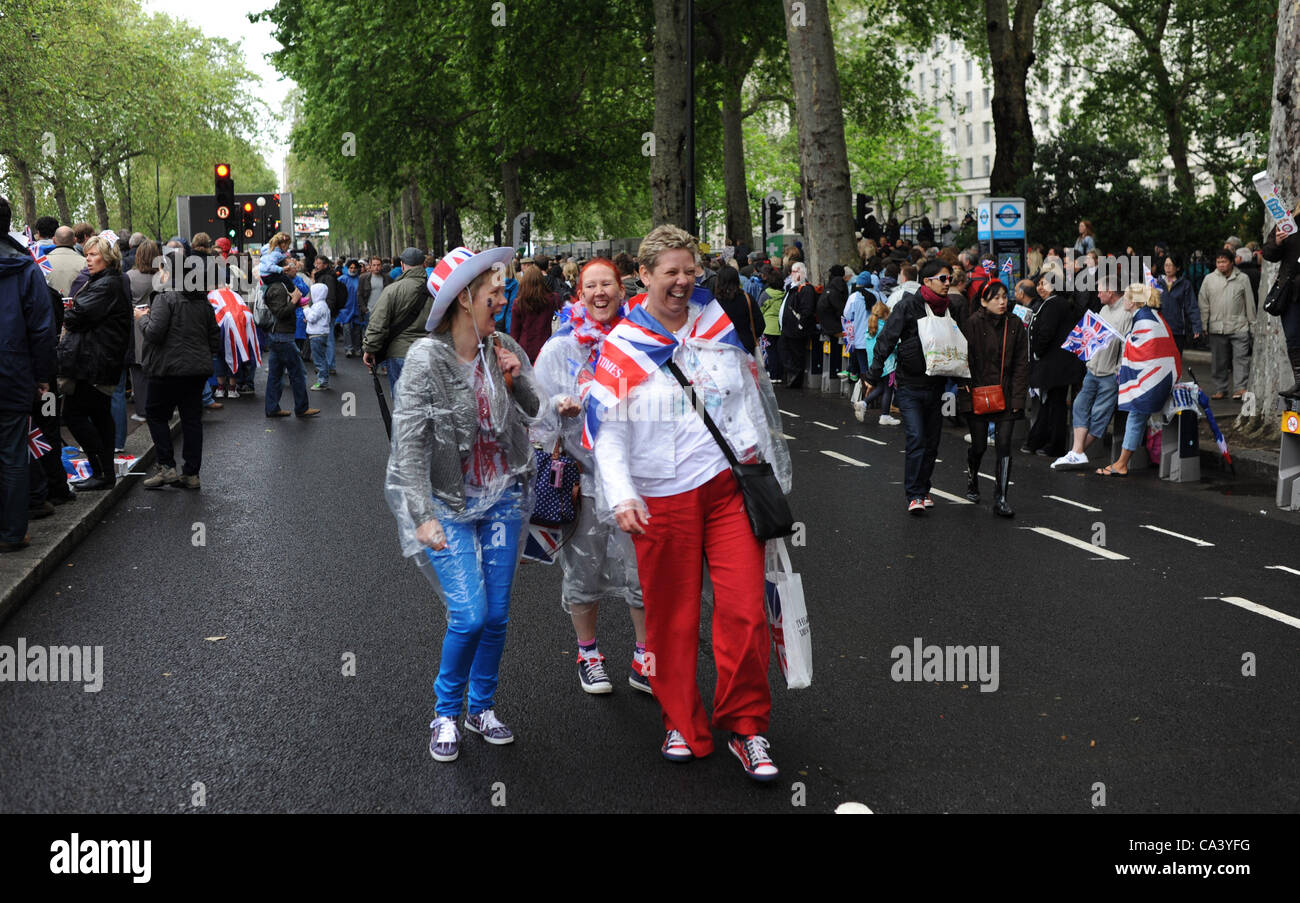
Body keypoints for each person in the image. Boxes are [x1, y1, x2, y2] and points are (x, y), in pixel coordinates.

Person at [590, 225, 791, 781]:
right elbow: (605, 430)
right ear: (645, 276)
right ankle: (682, 721)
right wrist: (622, 493)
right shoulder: (623, 343)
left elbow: (743, 400)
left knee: (745, 612)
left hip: (727, 488)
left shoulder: (716, 322)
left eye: (690, 270)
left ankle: (746, 728)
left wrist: (762, 469)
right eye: (671, 272)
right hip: (660, 499)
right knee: (671, 622)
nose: (683, 282)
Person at [385, 245, 540, 763]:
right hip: (448, 504)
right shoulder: (426, 360)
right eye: (493, 288)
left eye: (501, 285)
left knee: (496, 616)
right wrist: (421, 517)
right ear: (463, 299)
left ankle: (481, 708)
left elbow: (535, 408)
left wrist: (515, 378)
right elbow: (407, 445)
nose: (502, 294)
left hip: (502, 500)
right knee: (469, 614)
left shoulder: (502, 343)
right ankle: (445, 712)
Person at [531, 259, 649, 694]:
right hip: (582, 482)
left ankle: (645, 657)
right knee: (584, 570)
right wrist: (557, 404)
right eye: (590, 286)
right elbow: (535, 416)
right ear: (578, 295)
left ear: (622, 290)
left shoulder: (643, 341)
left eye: (608, 285)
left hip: (637, 480)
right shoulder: (559, 349)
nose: (600, 293)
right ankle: (589, 653)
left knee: (643, 573)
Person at [866, 259, 954, 513]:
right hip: (909, 385)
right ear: (927, 281)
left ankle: (924, 487)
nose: (948, 283)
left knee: (932, 441)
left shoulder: (949, 308)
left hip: (936, 384)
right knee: (916, 437)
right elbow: (886, 340)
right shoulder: (908, 306)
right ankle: (914, 494)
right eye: (943, 279)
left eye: (950, 278)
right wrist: (873, 375)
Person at [136, 249, 222, 490]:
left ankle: (167, 467)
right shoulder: (201, 299)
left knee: (156, 414)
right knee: (192, 420)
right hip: (196, 371)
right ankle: (191, 473)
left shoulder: (165, 297)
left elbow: (154, 333)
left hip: (166, 370)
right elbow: (214, 336)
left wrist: (142, 318)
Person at [0, 197, 56, 552]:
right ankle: (11, 532)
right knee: (12, 453)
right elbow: (41, 330)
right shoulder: (25, 268)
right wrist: (43, 376)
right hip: (11, 373)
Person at [57, 232, 131, 490]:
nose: (87, 259)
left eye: (93, 254)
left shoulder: (105, 284)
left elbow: (77, 316)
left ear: (107, 258)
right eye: (86, 254)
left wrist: (64, 308)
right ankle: (104, 472)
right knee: (100, 415)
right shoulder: (107, 281)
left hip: (94, 361)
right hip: (100, 359)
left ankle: (100, 469)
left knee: (74, 414)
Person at [958, 280, 1028, 516]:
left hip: (1006, 394)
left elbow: (1021, 365)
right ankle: (972, 477)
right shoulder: (972, 325)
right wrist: (966, 392)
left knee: (1004, 446)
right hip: (977, 393)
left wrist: (1018, 401)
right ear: (983, 301)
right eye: (996, 297)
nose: (1002, 301)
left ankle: (1001, 498)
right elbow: (963, 362)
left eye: (1005, 297)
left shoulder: (1015, 324)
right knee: (978, 446)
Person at [1051, 278, 1134, 470]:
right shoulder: (1104, 310)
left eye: (1100, 291)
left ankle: (1076, 453)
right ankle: (1077, 452)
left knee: (1099, 415)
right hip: (1093, 369)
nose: (1097, 295)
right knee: (1079, 405)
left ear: (1111, 291)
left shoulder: (1125, 314)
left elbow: (1125, 346)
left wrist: (1118, 371)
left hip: (1109, 374)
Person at [1098, 283, 1179, 476]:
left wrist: (1127, 341)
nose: (1123, 300)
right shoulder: (1150, 315)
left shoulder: (1143, 319)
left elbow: (1140, 351)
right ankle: (1123, 462)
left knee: (1135, 416)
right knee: (1137, 417)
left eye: (1126, 296)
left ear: (1133, 301)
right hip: (1161, 378)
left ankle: (1121, 464)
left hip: (1153, 381)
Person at [1023, 273, 1084, 458]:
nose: (1040, 288)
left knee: (1055, 404)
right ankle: (1041, 441)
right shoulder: (1056, 303)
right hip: (1057, 363)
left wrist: (1037, 352)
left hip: (1054, 364)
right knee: (1051, 403)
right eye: (1039, 284)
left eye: (1044, 284)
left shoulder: (1053, 304)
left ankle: (1052, 444)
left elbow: (1045, 333)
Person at [363, 247, 434, 393]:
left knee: (402, 403)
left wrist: (370, 348)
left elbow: (378, 322)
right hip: (428, 352)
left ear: (402, 265)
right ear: (424, 265)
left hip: (399, 353)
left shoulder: (393, 289)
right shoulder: (435, 290)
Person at [262, 258, 320, 419]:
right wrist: (294, 301)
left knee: (276, 373)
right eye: (289, 266)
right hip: (282, 336)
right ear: (282, 270)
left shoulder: (280, 285)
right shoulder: (277, 288)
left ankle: (272, 408)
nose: (293, 268)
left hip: (280, 336)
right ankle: (301, 408)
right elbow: (280, 313)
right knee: (297, 372)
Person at [1197, 247, 1257, 400]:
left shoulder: (1242, 278)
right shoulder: (1209, 279)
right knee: (1219, 361)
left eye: (1224, 262)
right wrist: (1204, 324)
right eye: (1218, 262)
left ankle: (1240, 388)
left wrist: (1253, 325)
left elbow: (1249, 303)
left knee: (1241, 360)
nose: (1221, 265)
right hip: (1217, 327)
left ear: (1232, 263)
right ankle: (1220, 388)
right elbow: (1203, 304)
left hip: (1239, 325)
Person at [1262, 202, 1300, 398]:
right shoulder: (1288, 218)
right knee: (1293, 337)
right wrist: (1276, 242)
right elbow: (1268, 254)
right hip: (1291, 292)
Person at [508, 262, 562, 364]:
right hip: (548, 348)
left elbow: (514, 333)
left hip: (525, 350)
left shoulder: (519, 303)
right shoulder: (553, 299)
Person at [1159, 252, 1201, 369]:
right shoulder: (1157, 283)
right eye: (1166, 265)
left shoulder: (1185, 285)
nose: (1167, 268)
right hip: (1159, 329)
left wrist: (1196, 326)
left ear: (1177, 267)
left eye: (1171, 265)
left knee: (1175, 362)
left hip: (1177, 330)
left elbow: (1191, 306)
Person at [778, 261, 816, 388]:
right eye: (792, 271)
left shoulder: (805, 289)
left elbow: (807, 309)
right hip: (787, 328)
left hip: (796, 329)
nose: (792, 274)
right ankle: (793, 374)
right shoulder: (792, 287)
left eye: (796, 271)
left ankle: (796, 378)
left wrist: (800, 325)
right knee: (784, 350)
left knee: (796, 354)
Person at [353, 256, 390, 357]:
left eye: (378, 265)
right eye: (374, 265)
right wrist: (364, 309)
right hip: (369, 311)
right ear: (370, 266)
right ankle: (369, 359)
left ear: (381, 266)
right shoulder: (364, 278)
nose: (376, 267)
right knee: (369, 336)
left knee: (382, 336)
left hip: (383, 311)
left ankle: (381, 362)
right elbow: (359, 295)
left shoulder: (387, 278)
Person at [758, 264, 785, 383]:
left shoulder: (766, 294)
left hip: (768, 327)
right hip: (780, 326)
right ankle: (780, 375)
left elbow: (760, 309)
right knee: (779, 352)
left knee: (771, 352)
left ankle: (773, 375)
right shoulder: (784, 294)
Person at [304, 282, 332, 390]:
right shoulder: (323, 305)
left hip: (317, 334)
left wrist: (306, 308)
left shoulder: (318, 305)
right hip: (321, 333)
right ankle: (323, 379)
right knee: (321, 357)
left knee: (319, 359)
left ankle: (322, 381)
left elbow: (312, 318)